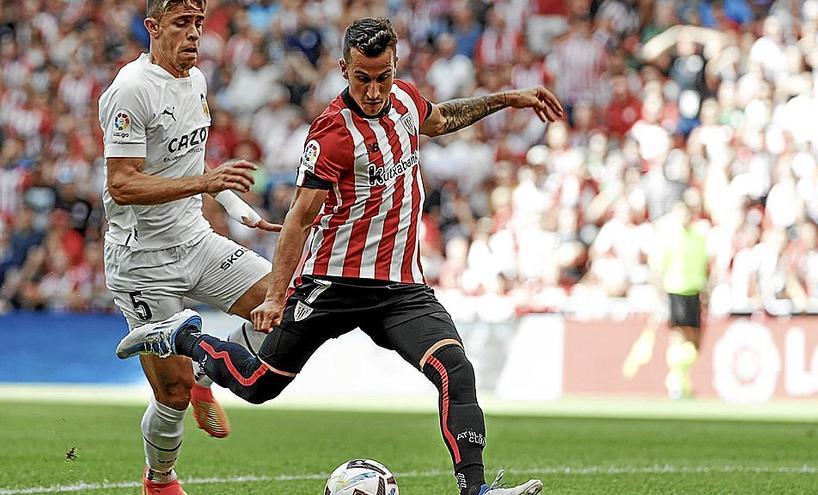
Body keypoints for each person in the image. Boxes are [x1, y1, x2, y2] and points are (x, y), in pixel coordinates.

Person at [117, 17, 564, 495]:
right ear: (343, 70)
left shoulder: (407, 102)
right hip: (333, 283)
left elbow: (443, 118)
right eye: (362, 78)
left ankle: (476, 490)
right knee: (257, 384)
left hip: (400, 289)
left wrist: (507, 98)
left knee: (455, 368)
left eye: (383, 77)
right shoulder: (332, 134)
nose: (373, 91)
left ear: (395, 67)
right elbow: (299, 217)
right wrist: (276, 296)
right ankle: (185, 339)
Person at [97, 1, 282, 493]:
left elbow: (193, 168)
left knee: (288, 304)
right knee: (173, 393)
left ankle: (204, 367)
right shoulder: (130, 92)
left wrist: (239, 209)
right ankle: (160, 479)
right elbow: (123, 185)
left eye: (199, 23)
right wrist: (207, 182)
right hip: (142, 261)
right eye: (182, 23)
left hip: (195, 241)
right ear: (152, 28)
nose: (195, 35)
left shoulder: (195, 81)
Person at [650, 201, 710, 399]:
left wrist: (706, 289)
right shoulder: (669, 237)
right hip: (675, 290)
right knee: (679, 337)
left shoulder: (698, 237)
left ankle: (683, 380)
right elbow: (658, 268)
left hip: (695, 292)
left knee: (694, 341)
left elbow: (705, 266)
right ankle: (676, 383)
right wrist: (660, 295)